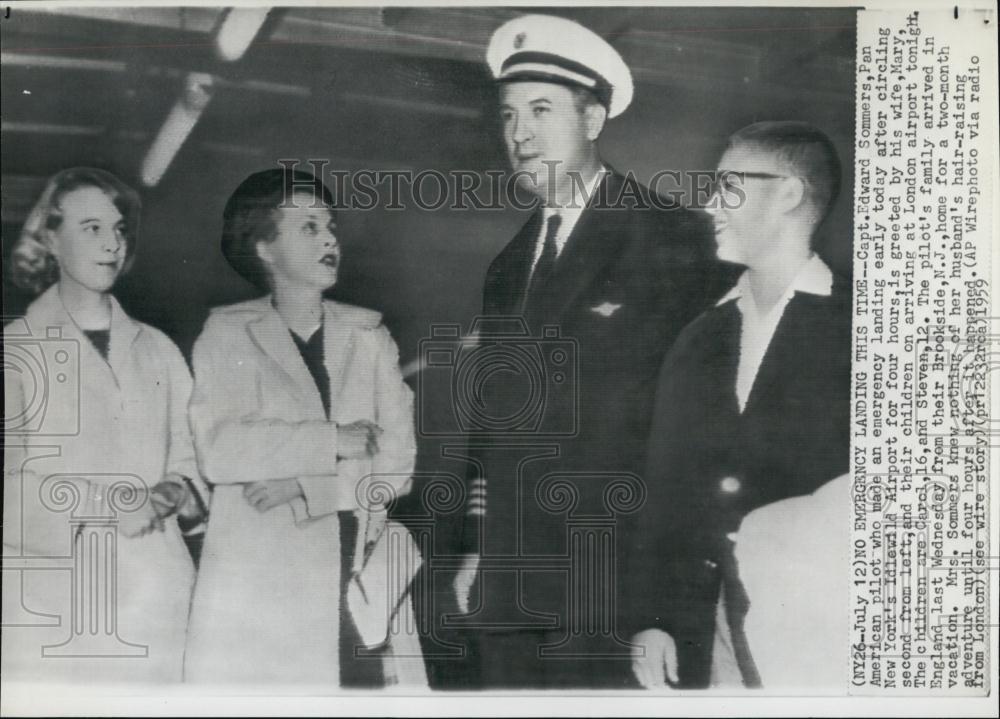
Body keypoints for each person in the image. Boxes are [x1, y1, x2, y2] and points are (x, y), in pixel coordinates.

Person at [450, 14, 732, 688]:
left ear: (595, 117)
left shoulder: (673, 239)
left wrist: (663, 609)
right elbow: (492, 430)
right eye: (509, 113)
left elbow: (695, 438)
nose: (519, 134)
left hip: (618, 591)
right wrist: (476, 550)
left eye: (542, 110)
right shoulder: (507, 264)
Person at [627, 121, 851, 689]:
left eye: (728, 185)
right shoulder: (698, 336)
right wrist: (653, 620)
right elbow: (665, 490)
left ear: (790, 193)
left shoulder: (867, 328)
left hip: (823, 627)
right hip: (710, 626)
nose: (709, 204)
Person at [183, 168, 426, 686]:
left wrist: (309, 487)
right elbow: (220, 451)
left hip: (357, 575)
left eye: (331, 225)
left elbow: (398, 466)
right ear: (265, 248)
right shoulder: (226, 335)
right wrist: (331, 440)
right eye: (309, 227)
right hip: (264, 583)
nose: (331, 237)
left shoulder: (369, 336)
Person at [2, 167, 206, 683]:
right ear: (49, 236)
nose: (113, 243)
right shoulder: (17, 350)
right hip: (61, 608)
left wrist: (179, 490)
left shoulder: (158, 348)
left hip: (160, 601)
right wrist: (108, 506)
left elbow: (190, 456)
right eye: (91, 228)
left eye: (118, 229)